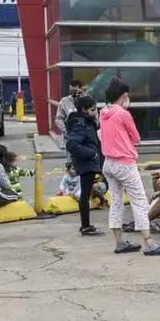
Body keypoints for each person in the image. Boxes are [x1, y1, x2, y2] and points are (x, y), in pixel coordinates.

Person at [99, 78, 160, 256]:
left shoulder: (103, 112)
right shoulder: (124, 114)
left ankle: (119, 242)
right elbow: (136, 138)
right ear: (124, 95)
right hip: (125, 163)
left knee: (116, 201)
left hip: (108, 163)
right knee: (139, 201)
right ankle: (148, 243)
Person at [64, 93, 105, 236]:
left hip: (90, 163)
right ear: (83, 109)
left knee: (86, 194)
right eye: (93, 110)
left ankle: (86, 225)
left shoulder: (87, 123)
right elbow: (72, 144)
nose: (96, 113)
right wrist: (91, 153)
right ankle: (86, 226)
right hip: (87, 164)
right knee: (85, 195)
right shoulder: (81, 124)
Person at [54, 78, 84, 149]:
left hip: (84, 137)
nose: (73, 93)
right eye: (71, 91)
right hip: (69, 137)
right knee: (70, 158)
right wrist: (66, 130)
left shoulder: (87, 100)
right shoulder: (64, 102)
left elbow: (94, 115)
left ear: (81, 89)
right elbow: (58, 119)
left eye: (75, 91)